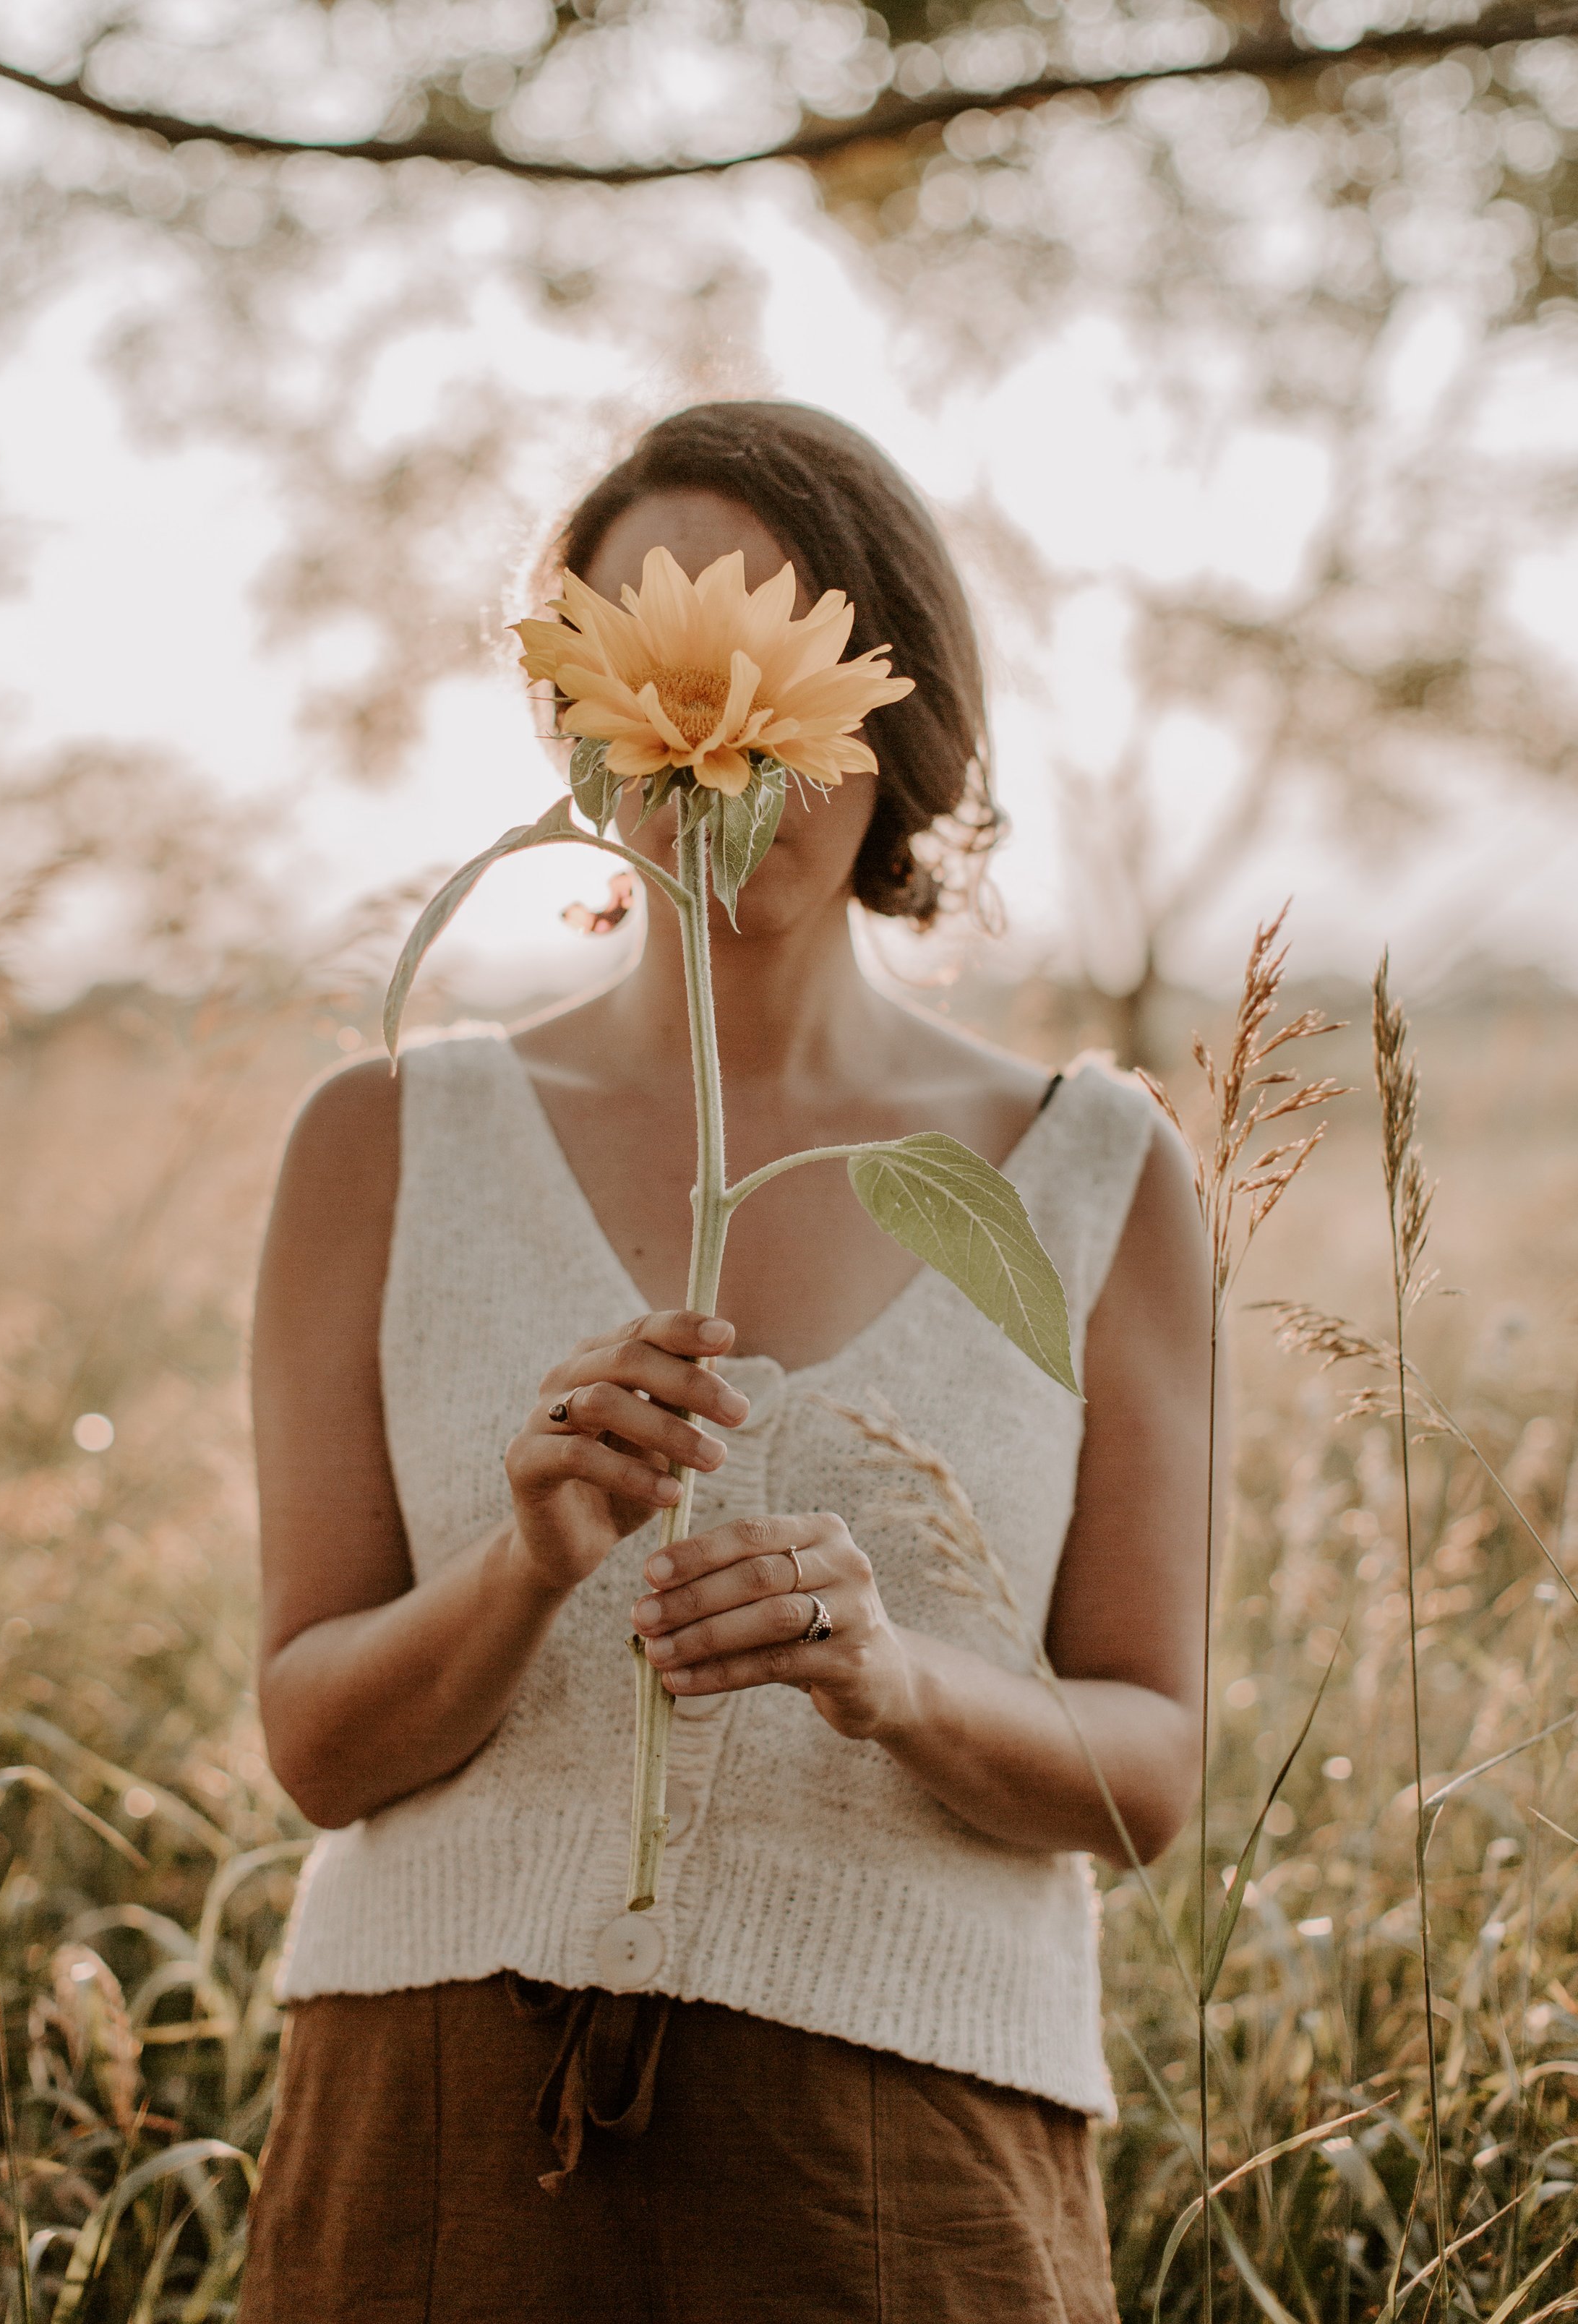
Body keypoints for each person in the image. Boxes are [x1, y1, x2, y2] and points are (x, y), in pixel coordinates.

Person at [240, 401, 1217, 2324]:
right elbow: (316, 1743)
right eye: (654, 671)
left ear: (892, 702)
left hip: (906, 2147)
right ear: (576, 719)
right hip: (436, 2133)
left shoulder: (1097, 1175)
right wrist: (528, 1570)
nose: (719, 735)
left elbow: (1150, 1772)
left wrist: (896, 1681)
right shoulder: (381, 1144)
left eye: (778, 664)